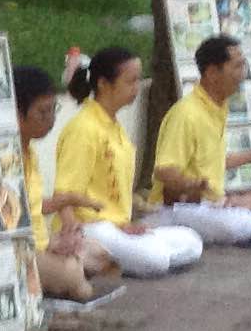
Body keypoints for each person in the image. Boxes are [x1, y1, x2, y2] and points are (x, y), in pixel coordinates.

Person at [53, 47, 203, 277]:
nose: (136, 88)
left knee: (192, 241)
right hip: (91, 227)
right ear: (103, 84)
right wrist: (73, 233)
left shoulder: (113, 125)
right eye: (130, 81)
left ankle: (120, 257)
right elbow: (64, 194)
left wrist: (125, 225)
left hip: (117, 226)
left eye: (138, 81)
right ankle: (101, 257)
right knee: (156, 258)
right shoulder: (83, 128)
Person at [150, 36, 251, 246]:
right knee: (241, 223)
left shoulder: (218, 107)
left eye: (243, 65)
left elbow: (219, 161)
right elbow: (164, 171)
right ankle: (245, 216)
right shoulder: (186, 113)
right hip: (179, 208)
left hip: (213, 206)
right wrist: (194, 185)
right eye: (237, 66)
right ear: (211, 73)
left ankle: (243, 216)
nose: (243, 73)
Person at [13, 66, 117, 300]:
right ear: (17, 115)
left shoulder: (30, 152)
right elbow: (13, 215)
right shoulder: (7, 159)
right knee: (80, 286)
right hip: (23, 251)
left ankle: (66, 269)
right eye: (42, 113)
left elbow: (35, 204)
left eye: (53, 110)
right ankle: (66, 273)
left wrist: (66, 207)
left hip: (44, 243)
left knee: (102, 255)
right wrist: (52, 246)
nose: (50, 121)